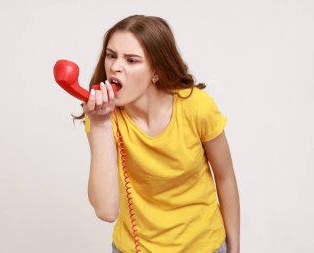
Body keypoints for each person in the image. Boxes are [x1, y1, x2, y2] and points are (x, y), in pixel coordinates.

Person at [73, 15, 240, 253]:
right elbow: (106, 211)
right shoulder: (103, 117)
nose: (115, 67)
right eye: (111, 55)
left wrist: (234, 248)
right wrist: (99, 124)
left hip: (204, 246)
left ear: (156, 71)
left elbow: (225, 177)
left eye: (131, 60)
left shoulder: (196, 107)